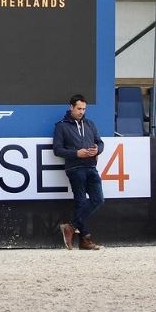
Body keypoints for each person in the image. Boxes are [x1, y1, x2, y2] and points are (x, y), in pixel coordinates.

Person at [53, 94, 105, 250]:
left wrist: (97, 150)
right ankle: (85, 239)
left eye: (84, 109)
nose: (82, 111)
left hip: (91, 166)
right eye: (79, 108)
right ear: (71, 107)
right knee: (81, 202)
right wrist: (76, 153)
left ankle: (71, 226)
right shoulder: (61, 126)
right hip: (75, 168)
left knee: (98, 199)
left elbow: (100, 143)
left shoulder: (90, 124)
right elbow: (57, 149)